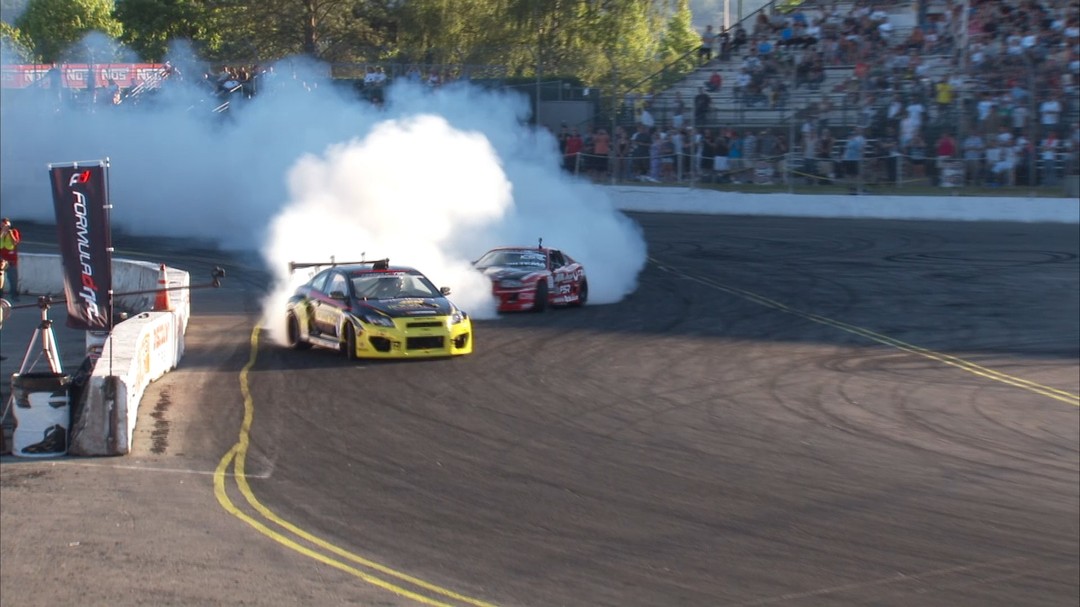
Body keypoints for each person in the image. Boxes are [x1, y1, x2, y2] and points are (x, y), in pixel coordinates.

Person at [0, 218, 20, 301]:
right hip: (1, 260)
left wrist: (10, 233)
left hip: (11, 260)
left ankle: (14, 296)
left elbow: (15, 242)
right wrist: (2, 233)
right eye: (3, 225)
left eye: (7, 226)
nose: (5, 227)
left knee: (13, 279)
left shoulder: (14, 231)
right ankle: (1, 296)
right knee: (1, 279)